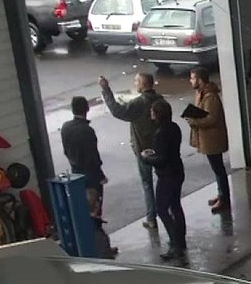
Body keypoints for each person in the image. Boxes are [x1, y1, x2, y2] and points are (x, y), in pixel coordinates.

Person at [99, 72, 163, 230]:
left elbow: (117, 111)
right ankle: (167, 211)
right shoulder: (160, 100)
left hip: (143, 150)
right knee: (163, 181)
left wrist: (106, 90)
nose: (135, 84)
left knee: (147, 184)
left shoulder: (138, 103)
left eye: (136, 82)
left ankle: (151, 218)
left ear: (142, 83)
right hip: (160, 148)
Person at [141, 99, 187, 261]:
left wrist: (147, 158)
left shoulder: (160, 134)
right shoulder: (174, 128)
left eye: (153, 112)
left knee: (162, 209)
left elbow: (162, 159)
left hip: (167, 175)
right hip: (178, 170)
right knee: (176, 205)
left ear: (158, 114)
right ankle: (180, 240)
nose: (151, 115)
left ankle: (175, 245)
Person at [186, 67, 231, 213]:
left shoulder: (210, 97)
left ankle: (224, 199)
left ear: (200, 79)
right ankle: (221, 195)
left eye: (193, 78)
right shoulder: (201, 94)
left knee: (218, 168)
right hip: (208, 138)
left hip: (213, 138)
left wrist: (194, 122)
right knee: (216, 168)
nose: (191, 81)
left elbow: (211, 118)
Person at [59, 96, 108, 219]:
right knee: (95, 206)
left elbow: (66, 151)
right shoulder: (87, 131)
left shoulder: (65, 128)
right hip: (91, 175)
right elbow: (93, 156)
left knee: (81, 207)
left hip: (75, 173)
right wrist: (101, 176)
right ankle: (96, 230)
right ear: (87, 109)